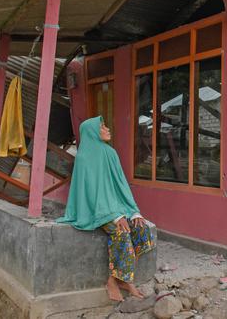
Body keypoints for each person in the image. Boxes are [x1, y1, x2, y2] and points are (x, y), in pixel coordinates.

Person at [57, 116, 155, 301]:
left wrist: (133, 211)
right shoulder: (84, 158)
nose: (108, 129)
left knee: (143, 230)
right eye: (102, 127)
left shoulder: (110, 153)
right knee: (122, 233)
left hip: (117, 207)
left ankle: (121, 279)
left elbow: (121, 185)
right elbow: (92, 194)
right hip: (96, 210)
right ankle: (115, 282)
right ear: (92, 131)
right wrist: (116, 217)